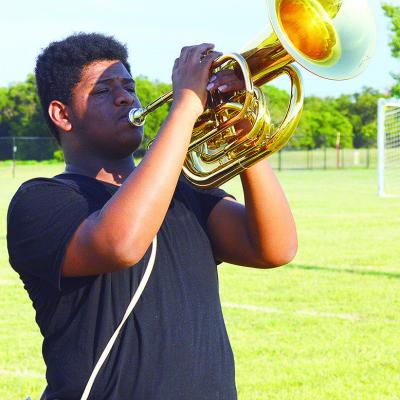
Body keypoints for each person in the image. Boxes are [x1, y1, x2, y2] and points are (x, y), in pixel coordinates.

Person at [7, 33, 297, 399]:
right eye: (102, 90)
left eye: (129, 86)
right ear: (62, 115)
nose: (126, 96)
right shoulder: (40, 201)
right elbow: (122, 244)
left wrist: (243, 133)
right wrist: (185, 107)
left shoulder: (184, 192)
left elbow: (274, 248)